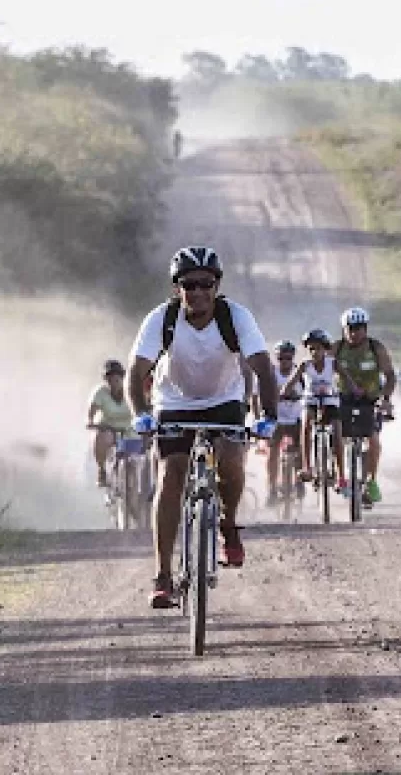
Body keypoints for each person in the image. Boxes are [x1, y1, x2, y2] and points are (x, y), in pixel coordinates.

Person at [128, 246, 278, 609]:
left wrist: (269, 417)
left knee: (231, 459)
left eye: (205, 284)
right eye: (188, 285)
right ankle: (163, 575)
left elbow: (263, 368)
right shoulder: (160, 319)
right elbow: (136, 373)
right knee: (171, 475)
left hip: (225, 399)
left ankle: (228, 525)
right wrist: (140, 414)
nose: (197, 293)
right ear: (177, 287)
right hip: (174, 402)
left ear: (217, 285)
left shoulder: (236, 317)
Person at [331, 306, 396, 504]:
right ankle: (340, 476)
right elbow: (318, 366)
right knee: (337, 433)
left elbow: (390, 375)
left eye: (358, 328)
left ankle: (371, 481)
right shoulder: (337, 348)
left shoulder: (376, 348)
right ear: (344, 329)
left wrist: (385, 399)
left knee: (373, 439)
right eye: (350, 328)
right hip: (343, 397)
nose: (354, 332)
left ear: (365, 328)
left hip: (370, 399)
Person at [284, 328, 345, 492]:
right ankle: (307, 467)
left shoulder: (333, 363)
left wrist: (354, 389)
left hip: (330, 401)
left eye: (318, 348)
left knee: (338, 432)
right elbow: (291, 382)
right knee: (306, 422)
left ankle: (341, 476)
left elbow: (347, 379)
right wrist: (284, 392)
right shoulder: (305, 365)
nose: (314, 352)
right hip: (310, 401)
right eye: (311, 349)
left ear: (325, 349)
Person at [252, 340, 304, 505]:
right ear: (277, 358)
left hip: (295, 418)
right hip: (276, 419)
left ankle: (300, 480)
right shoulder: (269, 374)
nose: (285, 362)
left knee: (301, 447)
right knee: (272, 451)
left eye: (288, 358)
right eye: (281, 358)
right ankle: (272, 487)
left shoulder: (299, 374)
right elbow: (255, 395)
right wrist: (258, 416)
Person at [87, 359, 134, 487]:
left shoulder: (131, 391)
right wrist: (90, 421)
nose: (113, 381)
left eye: (116, 378)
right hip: (109, 428)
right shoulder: (101, 392)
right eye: (109, 378)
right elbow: (92, 409)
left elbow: (143, 406)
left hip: (130, 430)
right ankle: (102, 470)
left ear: (123, 377)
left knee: (142, 451)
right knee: (101, 437)